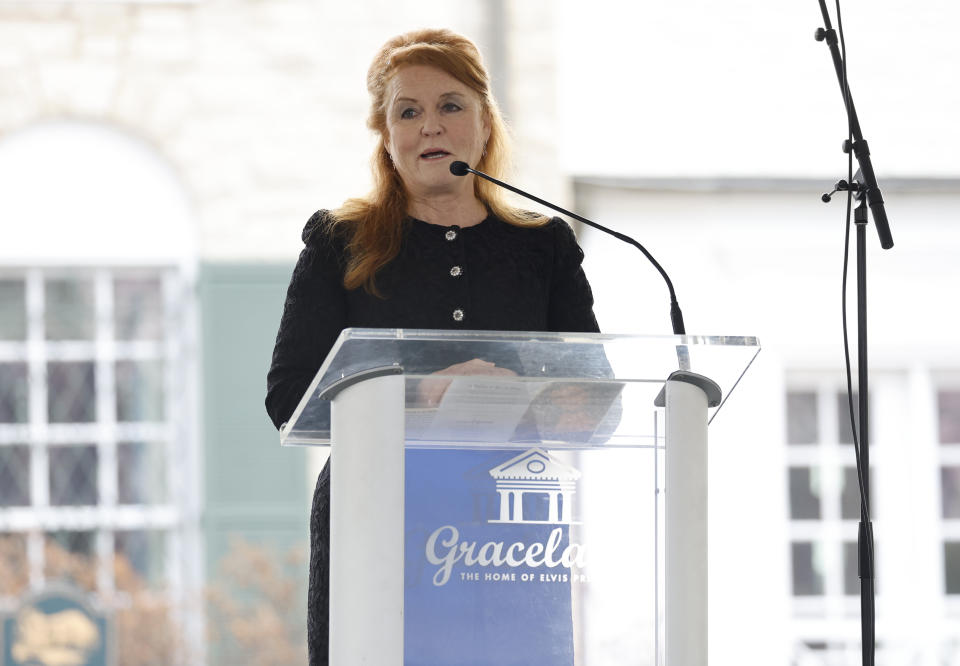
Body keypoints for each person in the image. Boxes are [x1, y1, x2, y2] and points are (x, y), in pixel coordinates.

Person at [265, 28, 600, 665]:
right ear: (386, 137)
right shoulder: (340, 243)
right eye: (407, 112)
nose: (430, 127)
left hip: (511, 537)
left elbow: (592, 396)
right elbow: (289, 398)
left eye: (450, 105)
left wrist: (519, 392)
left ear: (484, 122)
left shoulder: (544, 248)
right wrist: (420, 390)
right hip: (377, 525)